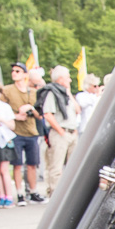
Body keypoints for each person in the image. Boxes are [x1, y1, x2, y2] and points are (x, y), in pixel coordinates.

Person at [0, 62, 44, 206]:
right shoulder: (7, 90)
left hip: (31, 131)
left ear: (25, 74)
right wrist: (15, 116)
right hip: (15, 132)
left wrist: (30, 108)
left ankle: (32, 191)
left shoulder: (33, 92)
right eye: (13, 71)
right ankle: (19, 193)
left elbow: (40, 115)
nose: (14, 73)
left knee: (32, 164)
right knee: (17, 165)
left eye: (18, 71)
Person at [42, 65, 79, 198]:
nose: (70, 80)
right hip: (60, 132)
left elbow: (77, 109)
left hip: (71, 132)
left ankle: (70, 195)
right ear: (61, 79)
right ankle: (55, 195)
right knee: (56, 167)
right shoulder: (52, 93)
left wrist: (68, 92)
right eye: (68, 77)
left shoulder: (66, 94)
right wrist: (60, 130)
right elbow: (48, 114)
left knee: (72, 166)